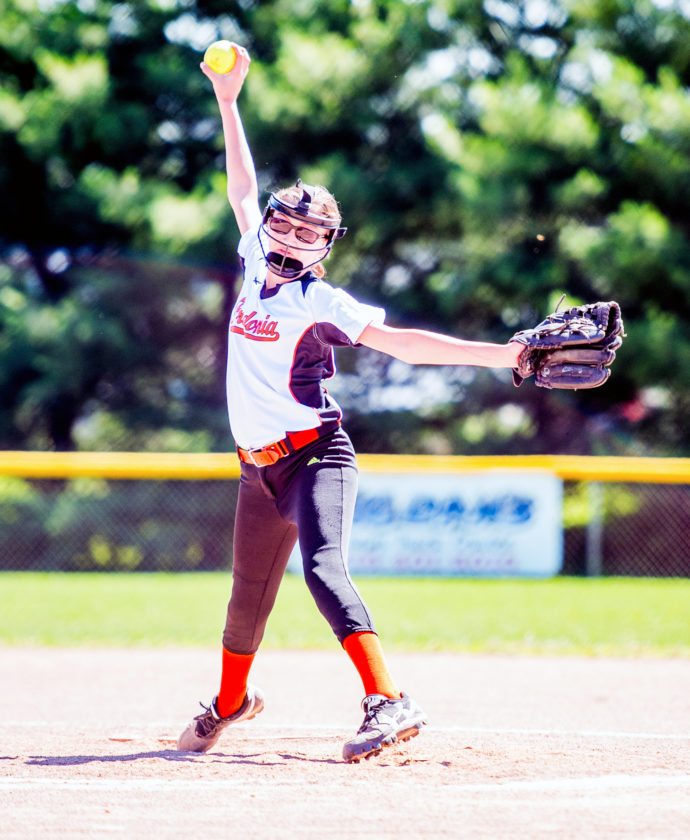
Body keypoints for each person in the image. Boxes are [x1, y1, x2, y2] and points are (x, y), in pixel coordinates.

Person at [177, 44, 524, 763]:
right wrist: (228, 101)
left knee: (323, 568)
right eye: (284, 224)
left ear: (325, 249)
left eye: (309, 234)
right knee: (245, 598)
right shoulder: (252, 260)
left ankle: (389, 701)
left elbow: (406, 346)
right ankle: (231, 701)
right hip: (256, 468)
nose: (291, 237)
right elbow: (242, 190)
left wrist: (507, 356)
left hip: (315, 457)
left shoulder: (319, 300)